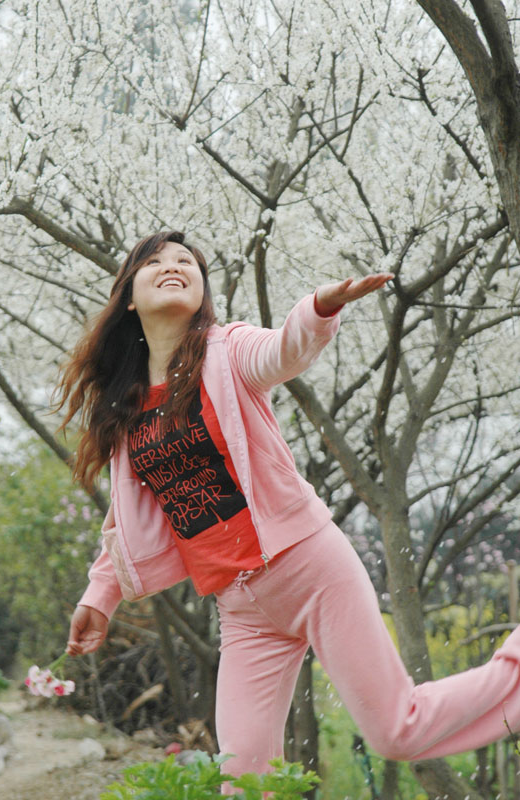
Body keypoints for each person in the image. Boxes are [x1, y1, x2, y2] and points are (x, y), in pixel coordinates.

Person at [63, 230, 520, 783]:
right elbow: (133, 518)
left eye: (187, 260)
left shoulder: (226, 352)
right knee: (243, 777)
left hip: (309, 569)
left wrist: (319, 309)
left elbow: (283, 350)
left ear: (202, 293)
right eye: (155, 261)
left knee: (398, 732)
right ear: (129, 298)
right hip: (241, 609)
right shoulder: (127, 409)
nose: (174, 265)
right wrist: (100, 597)